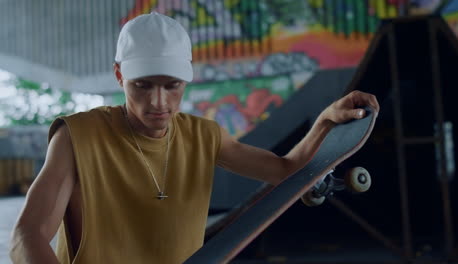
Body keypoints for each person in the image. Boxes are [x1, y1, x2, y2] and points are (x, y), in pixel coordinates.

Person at [9, 12, 379, 264]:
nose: (158, 102)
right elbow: (28, 233)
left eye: (171, 86)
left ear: (186, 79)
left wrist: (325, 121)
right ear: (119, 76)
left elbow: (286, 171)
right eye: (142, 86)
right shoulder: (79, 136)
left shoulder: (204, 136)